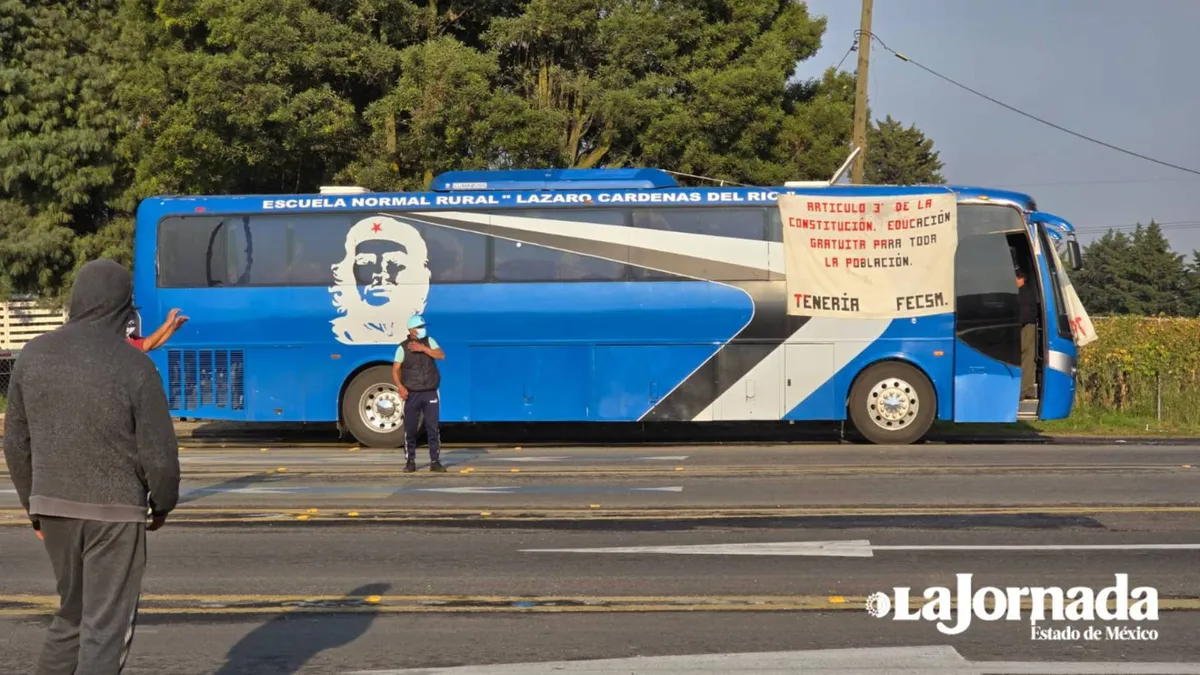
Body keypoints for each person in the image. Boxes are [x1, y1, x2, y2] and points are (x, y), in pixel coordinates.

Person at [3, 259, 180, 675]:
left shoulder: (33, 355)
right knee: (105, 628)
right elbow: (160, 452)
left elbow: (15, 442)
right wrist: (163, 503)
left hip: (54, 508)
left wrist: (35, 508)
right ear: (123, 307)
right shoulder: (135, 365)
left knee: (71, 617)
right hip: (115, 514)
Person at [392, 314, 446, 473]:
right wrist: (400, 387)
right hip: (412, 393)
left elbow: (441, 355)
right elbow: (395, 370)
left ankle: (435, 461)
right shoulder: (402, 348)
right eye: (420, 327)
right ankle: (410, 462)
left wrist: (424, 349)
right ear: (411, 330)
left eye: (423, 327)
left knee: (432, 427)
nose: (423, 330)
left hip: (430, 391)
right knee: (410, 429)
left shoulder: (430, 341)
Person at [1015, 266, 1038, 399]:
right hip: (1028, 326)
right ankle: (1028, 389)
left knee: (1025, 357)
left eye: (1016, 278)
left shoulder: (1023, 293)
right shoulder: (1026, 292)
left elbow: (1024, 314)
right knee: (1028, 358)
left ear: (1021, 279)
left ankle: (1023, 390)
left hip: (1026, 327)